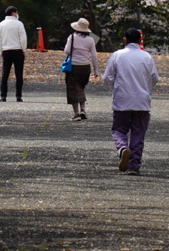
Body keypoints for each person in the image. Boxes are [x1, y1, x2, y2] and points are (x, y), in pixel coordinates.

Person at [103, 27, 159, 175]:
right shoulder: (147, 57)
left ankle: (122, 149)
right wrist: (146, 88)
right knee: (138, 133)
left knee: (118, 129)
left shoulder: (117, 55)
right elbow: (155, 78)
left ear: (124, 40)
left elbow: (107, 78)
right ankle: (134, 165)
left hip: (122, 100)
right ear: (140, 40)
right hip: (142, 102)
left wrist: (114, 89)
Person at [63, 17, 100, 120]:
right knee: (80, 87)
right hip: (85, 67)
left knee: (72, 89)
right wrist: (96, 70)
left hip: (74, 66)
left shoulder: (72, 37)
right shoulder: (91, 39)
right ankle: (83, 109)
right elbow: (94, 55)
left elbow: (67, 51)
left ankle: (76, 113)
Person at [0, 6, 27, 102]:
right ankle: (18, 96)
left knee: (5, 74)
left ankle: (3, 96)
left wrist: (1, 51)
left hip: (6, 50)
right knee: (19, 74)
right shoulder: (19, 24)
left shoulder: (1, 24)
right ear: (13, 13)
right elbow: (23, 38)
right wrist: (24, 50)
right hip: (17, 50)